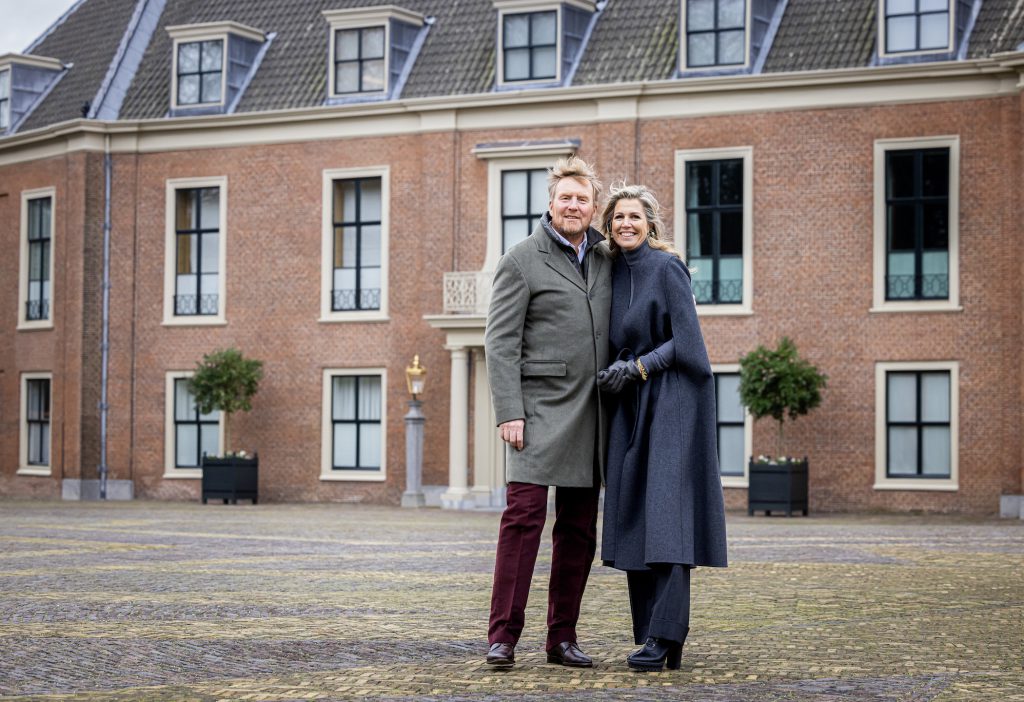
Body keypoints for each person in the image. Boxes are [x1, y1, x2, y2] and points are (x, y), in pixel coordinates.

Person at [483, 155, 611, 669]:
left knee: (579, 532)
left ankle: (561, 637)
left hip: (592, 414)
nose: (574, 206)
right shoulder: (521, 260)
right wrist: (508, 411)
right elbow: (499, 343)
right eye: (566, 198)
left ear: (593, 206)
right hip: (534, 414)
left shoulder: (607, 260)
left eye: (583, 199)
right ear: (551, 205)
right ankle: (502, 638)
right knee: (523, 523)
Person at [596, 184, 728, 672]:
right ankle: (653, 635)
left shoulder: (668, 267)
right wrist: (616, 373)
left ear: (650, 224)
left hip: (671, 400)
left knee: (668, 517)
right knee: (635, 514)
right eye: (617, 218)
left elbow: (688, 342)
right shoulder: (609, 272)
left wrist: (639, 368)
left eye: (634, 217)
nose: (625, 224)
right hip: (630, 407)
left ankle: (667, 634)